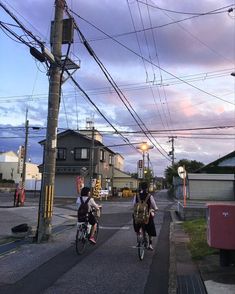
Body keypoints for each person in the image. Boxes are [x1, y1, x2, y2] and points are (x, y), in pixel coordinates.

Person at [133, 182, 158, 250]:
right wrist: (155, 209)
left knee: (137, 225)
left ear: (140, 188)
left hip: (138, 215)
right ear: (147, 188)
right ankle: (150, 244)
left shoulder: (136, 195)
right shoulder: (149, 196)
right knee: (150, 228)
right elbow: (154, 206)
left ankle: (138, 240)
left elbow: (133, 205)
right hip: (147, 216)